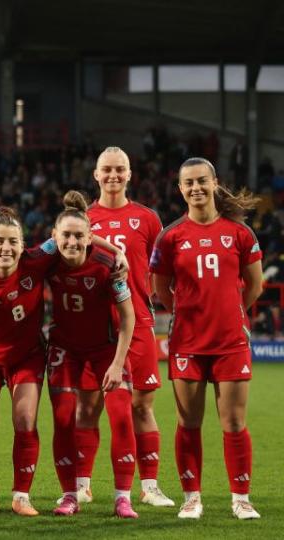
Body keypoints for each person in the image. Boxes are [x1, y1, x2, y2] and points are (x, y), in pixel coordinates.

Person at [150, 157, 264, 520]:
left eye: (202, 181)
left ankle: (241, 498)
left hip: (230, 341)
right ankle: (191, 498)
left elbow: (256, 285)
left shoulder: (240, 233)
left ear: (215, 182)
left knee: (233, 422)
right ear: (180, 189)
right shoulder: (170, 236)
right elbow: (161, 290)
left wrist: (232, 312)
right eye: (189, 183)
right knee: (189, 423)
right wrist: (187, 312)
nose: (196, 188)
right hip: (187, 343)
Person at [72, 147, 174, 507]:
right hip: (95, 325)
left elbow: (162, 270)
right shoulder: (83, 218)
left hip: (139, 321)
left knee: (142, 407)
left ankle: (149, 486)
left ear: (129, 174)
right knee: (87, 406)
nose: (113, 175)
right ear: (96, 176)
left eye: (120, 170)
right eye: (106, 170)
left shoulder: (148, 218)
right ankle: (83, 484)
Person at [0, 207, 60, 517]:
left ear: (23, 244)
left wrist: (116, 255)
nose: (7, 248)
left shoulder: (36, 259)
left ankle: (22, 496)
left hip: (27, 355)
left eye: (13, 242)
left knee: (25, 420)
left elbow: (71, 234)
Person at [46, 191, 138, 519]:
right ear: (54, 236)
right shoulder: (45, 258)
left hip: (106, 349)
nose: (71, 242)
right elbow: (8, 255)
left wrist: (116, 364)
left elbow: (128, 318)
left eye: (78, 236)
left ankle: (122, 497)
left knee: (122, 416)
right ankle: (69, 495)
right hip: (65, 350)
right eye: (65, 235)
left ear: (88, 238)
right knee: (63, 419)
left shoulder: (107, 265)